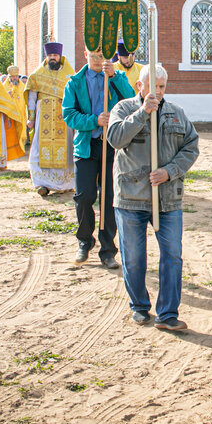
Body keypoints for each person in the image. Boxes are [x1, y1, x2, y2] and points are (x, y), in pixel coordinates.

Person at [107, 64, 198, 331]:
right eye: (153, 86)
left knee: (172, 255)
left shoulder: (176, 113)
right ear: (139, 86)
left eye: (162, 87)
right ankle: (139, 306)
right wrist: (142, 113)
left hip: (168, 199)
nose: (158, 92)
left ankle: (168, 313)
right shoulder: (123, 109)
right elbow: (114, 139)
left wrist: (170, 172)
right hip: (131, 198)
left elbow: (191, 147)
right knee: (134, 257)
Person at [62, 48, 134, 269]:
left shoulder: (116, 77)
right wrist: (95, 120)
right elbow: (69, 115)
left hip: (111, 146)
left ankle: (108, 249)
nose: (97, 59)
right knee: (84, 196)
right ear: (84, 54)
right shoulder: (74, 82)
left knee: (110, 198)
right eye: (93, 55)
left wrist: (113, 77)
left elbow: (132, 100)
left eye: (102, 55)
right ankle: (84, 241)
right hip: (86, 147)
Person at [25, 42, 74, 197]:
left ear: (60, 56)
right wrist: (31, 118)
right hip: (43, 115)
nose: (53, 58)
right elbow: (32, 96)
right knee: (40, 147)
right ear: (46, 56)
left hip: (62, 114)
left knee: (66, 147)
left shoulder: (69, 74)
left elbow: (75, 95)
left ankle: (64, 183)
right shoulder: (37, 74)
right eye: (50, 55)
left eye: (55, 55)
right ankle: (42, 184)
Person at [1, 65, 29, 150]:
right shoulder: (3, 88)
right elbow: (1, 100)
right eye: (13, 77)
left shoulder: (22, 87)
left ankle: (20, 148)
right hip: (9, 114)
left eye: (16, 76)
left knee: (20, 132)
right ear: (9, 77)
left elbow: (26, 99)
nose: (15, 78)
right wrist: (6, 95)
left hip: (20, 114)